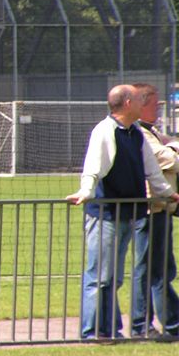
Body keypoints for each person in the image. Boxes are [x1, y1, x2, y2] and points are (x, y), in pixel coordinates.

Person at [65, 84, 179, 339]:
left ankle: (108, 330)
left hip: (130, 213)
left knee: (113, 278)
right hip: (105, 215)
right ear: (127, 103)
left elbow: (151, 170)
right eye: (139, 99)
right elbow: (93, 167)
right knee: (100, 276)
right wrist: (86, 190)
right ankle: (93, 331)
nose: (144, 103)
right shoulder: (104, 131)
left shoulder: (135, 132)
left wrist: (166, 193)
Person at [131, 82, 179, 338]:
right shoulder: (140, 132)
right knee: (151, 268)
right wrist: (172, 148)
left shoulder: (150, 131)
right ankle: (146, 324)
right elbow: (167, 158)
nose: (159, 109)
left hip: (163, 207)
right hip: (152, 208)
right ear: (140, 103)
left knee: (160, 268)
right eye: (155, 104)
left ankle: (158, 322)